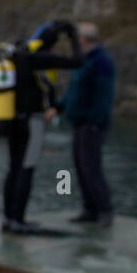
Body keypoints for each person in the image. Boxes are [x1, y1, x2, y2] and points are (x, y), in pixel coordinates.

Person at [2, 20, 83, 233]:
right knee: (26, 168)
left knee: (13, 168)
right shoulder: (41, 58)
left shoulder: (18, 53)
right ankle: (18, 219)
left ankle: (8, 218)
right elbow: (77, 61)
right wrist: (73, 36)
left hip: (11, 118)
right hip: (33, 121)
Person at [54, 21, 115, 226]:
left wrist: (94, 122)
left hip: (91, 125)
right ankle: (89, 208)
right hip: (79, 122)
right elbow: (74, 91)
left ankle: (105, 209)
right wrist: (58, 107)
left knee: (92, 168)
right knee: (81, 167)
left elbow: (103, 97)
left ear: (83, 40)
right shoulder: (83, 62)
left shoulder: (101, 62)